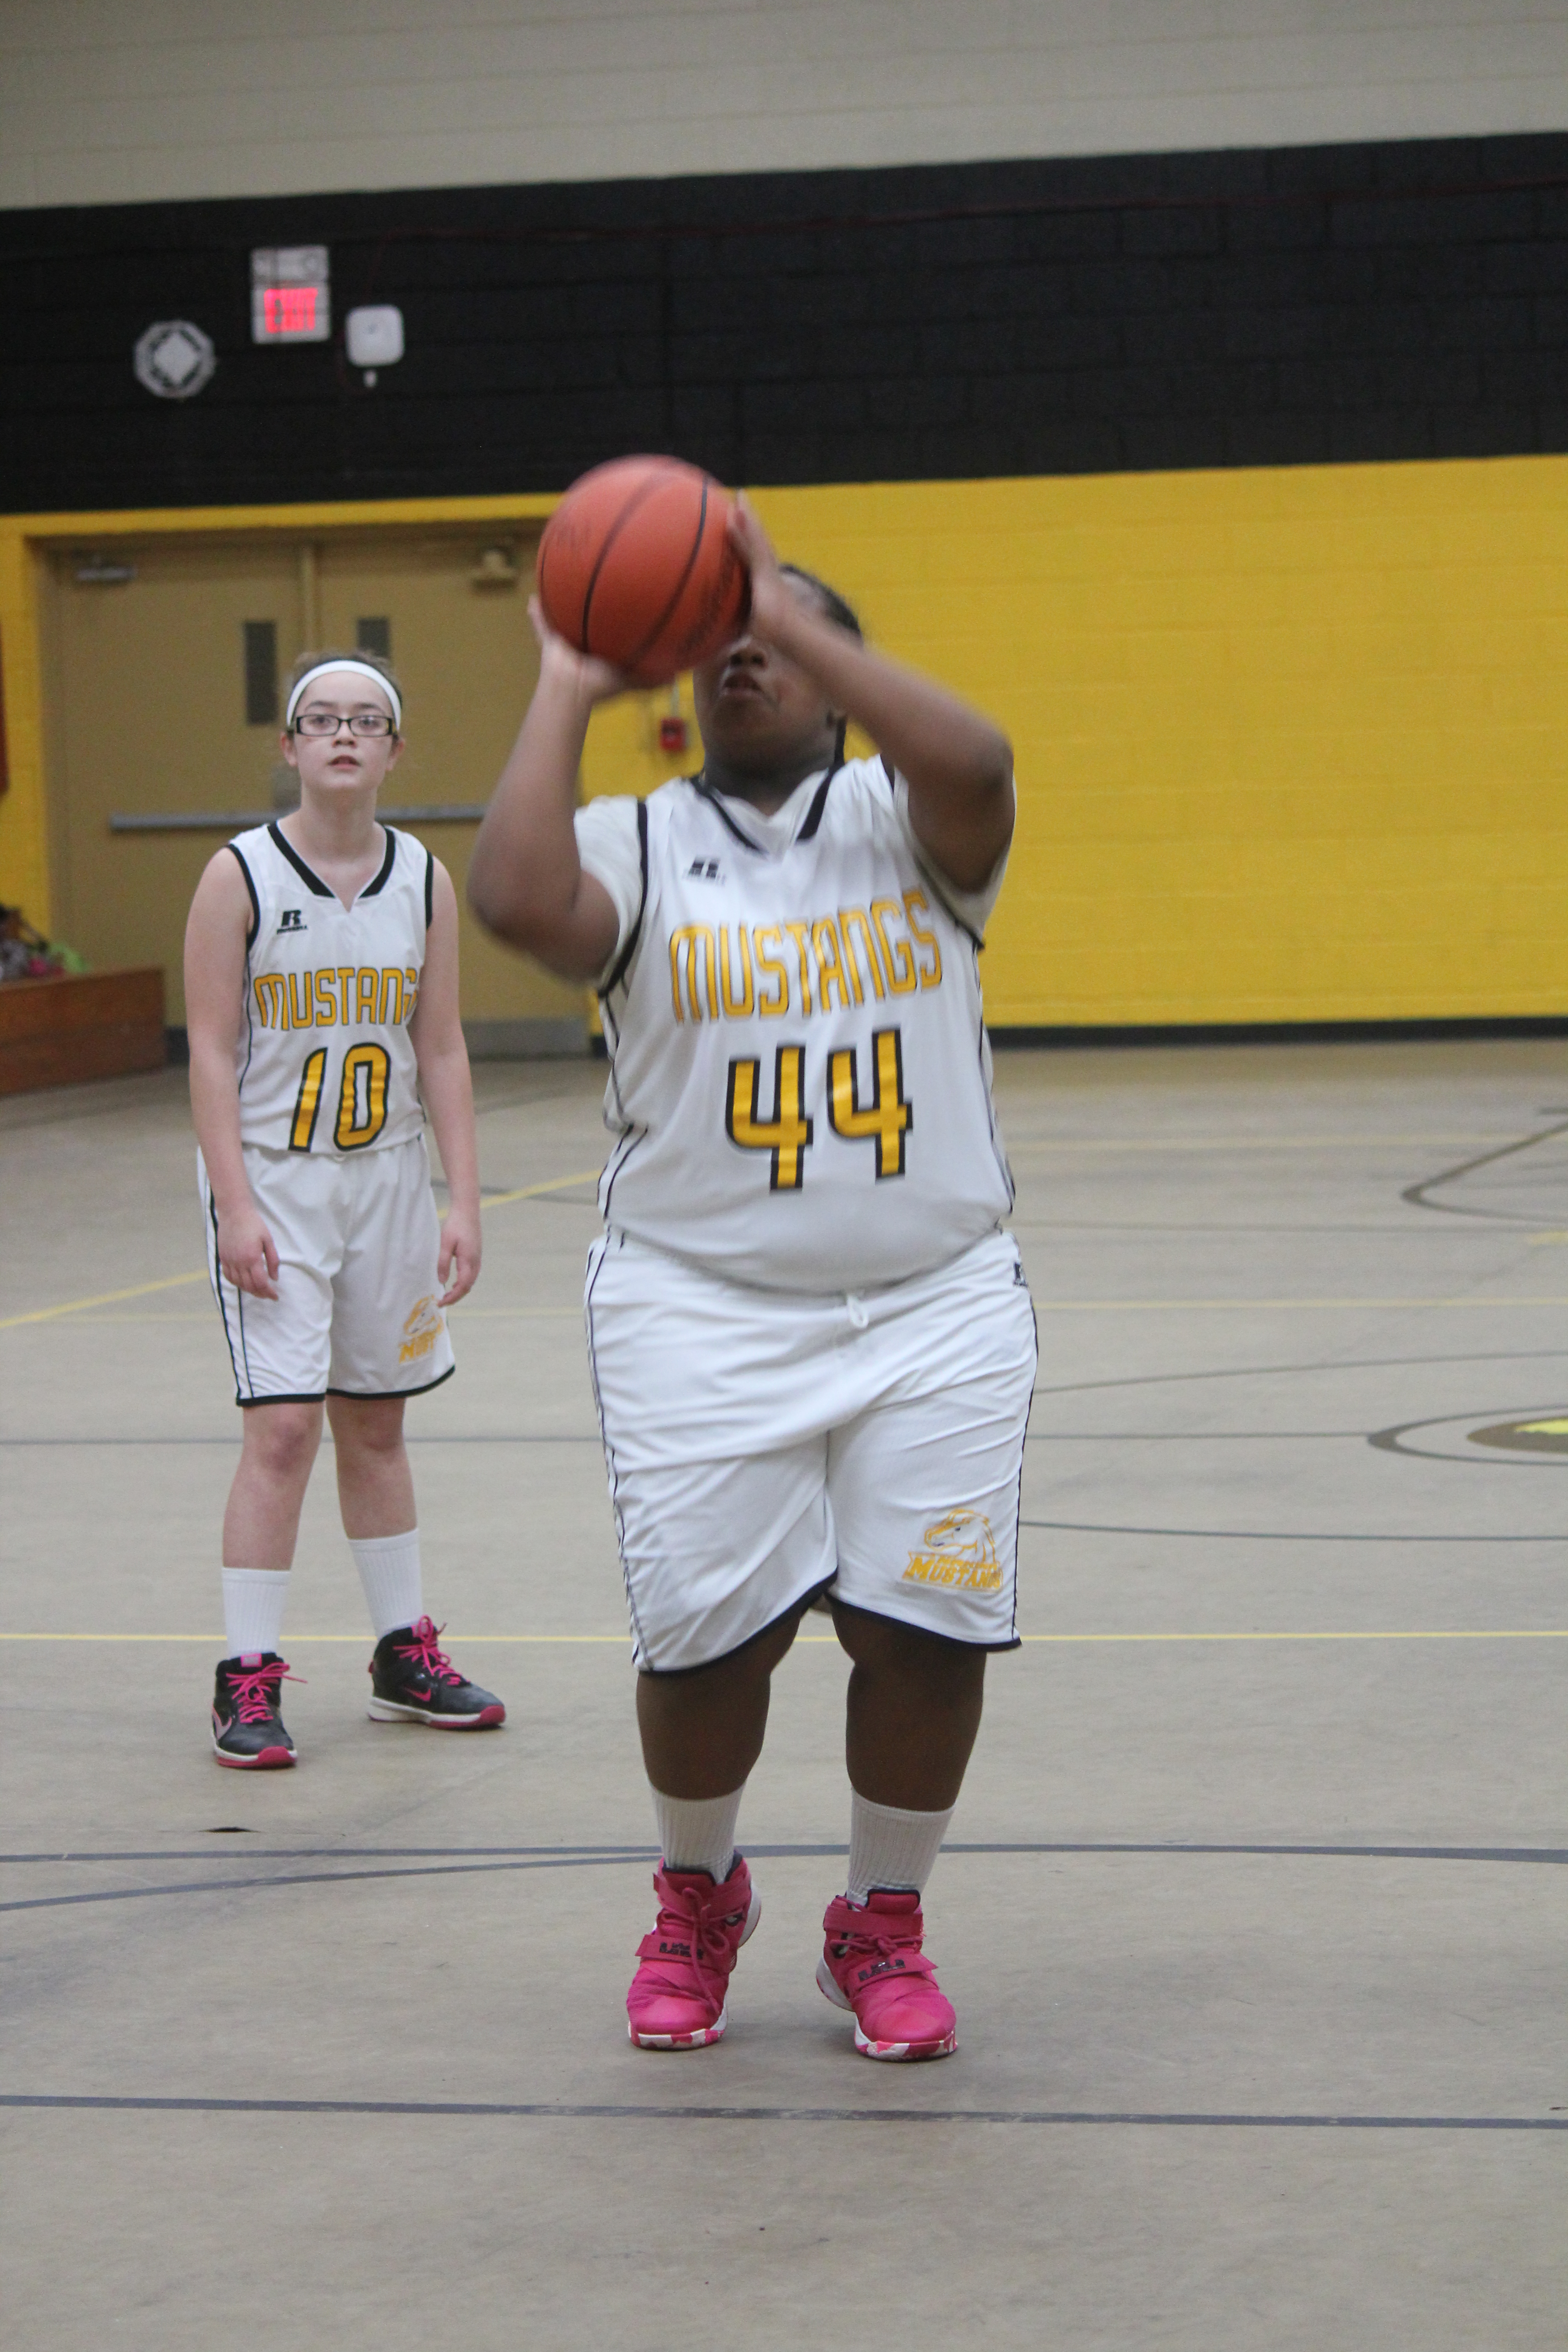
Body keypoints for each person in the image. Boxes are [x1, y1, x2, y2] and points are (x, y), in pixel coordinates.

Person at [469, 504, 1034, 2060]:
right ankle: (698, 1894)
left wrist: (774, 605)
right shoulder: (629, 840)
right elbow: (512, 902)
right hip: (697, 1307)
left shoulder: (911, 822)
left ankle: (881, 1923)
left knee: (923, 1630)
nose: (741, 653)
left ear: (834, 669)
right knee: (710, 1642)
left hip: (932, 1303)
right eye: (712, 640)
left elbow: (980, 755)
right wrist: (570, 676)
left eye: (775, 635)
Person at [184, 649, 505, 1768]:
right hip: (274, 1176)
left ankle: (398, 1657)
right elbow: (213, 1056)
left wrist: (461, 1199)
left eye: (367, 721)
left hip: (387, 1182)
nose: (343, 736)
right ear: (288, 746)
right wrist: (233, 1204)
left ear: (395, 751)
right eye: (320, 720)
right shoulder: (240, 876)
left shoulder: (425, 877)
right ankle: (247, 1674)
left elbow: (445, 1046)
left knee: (378, 1420)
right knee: (282, 1428)